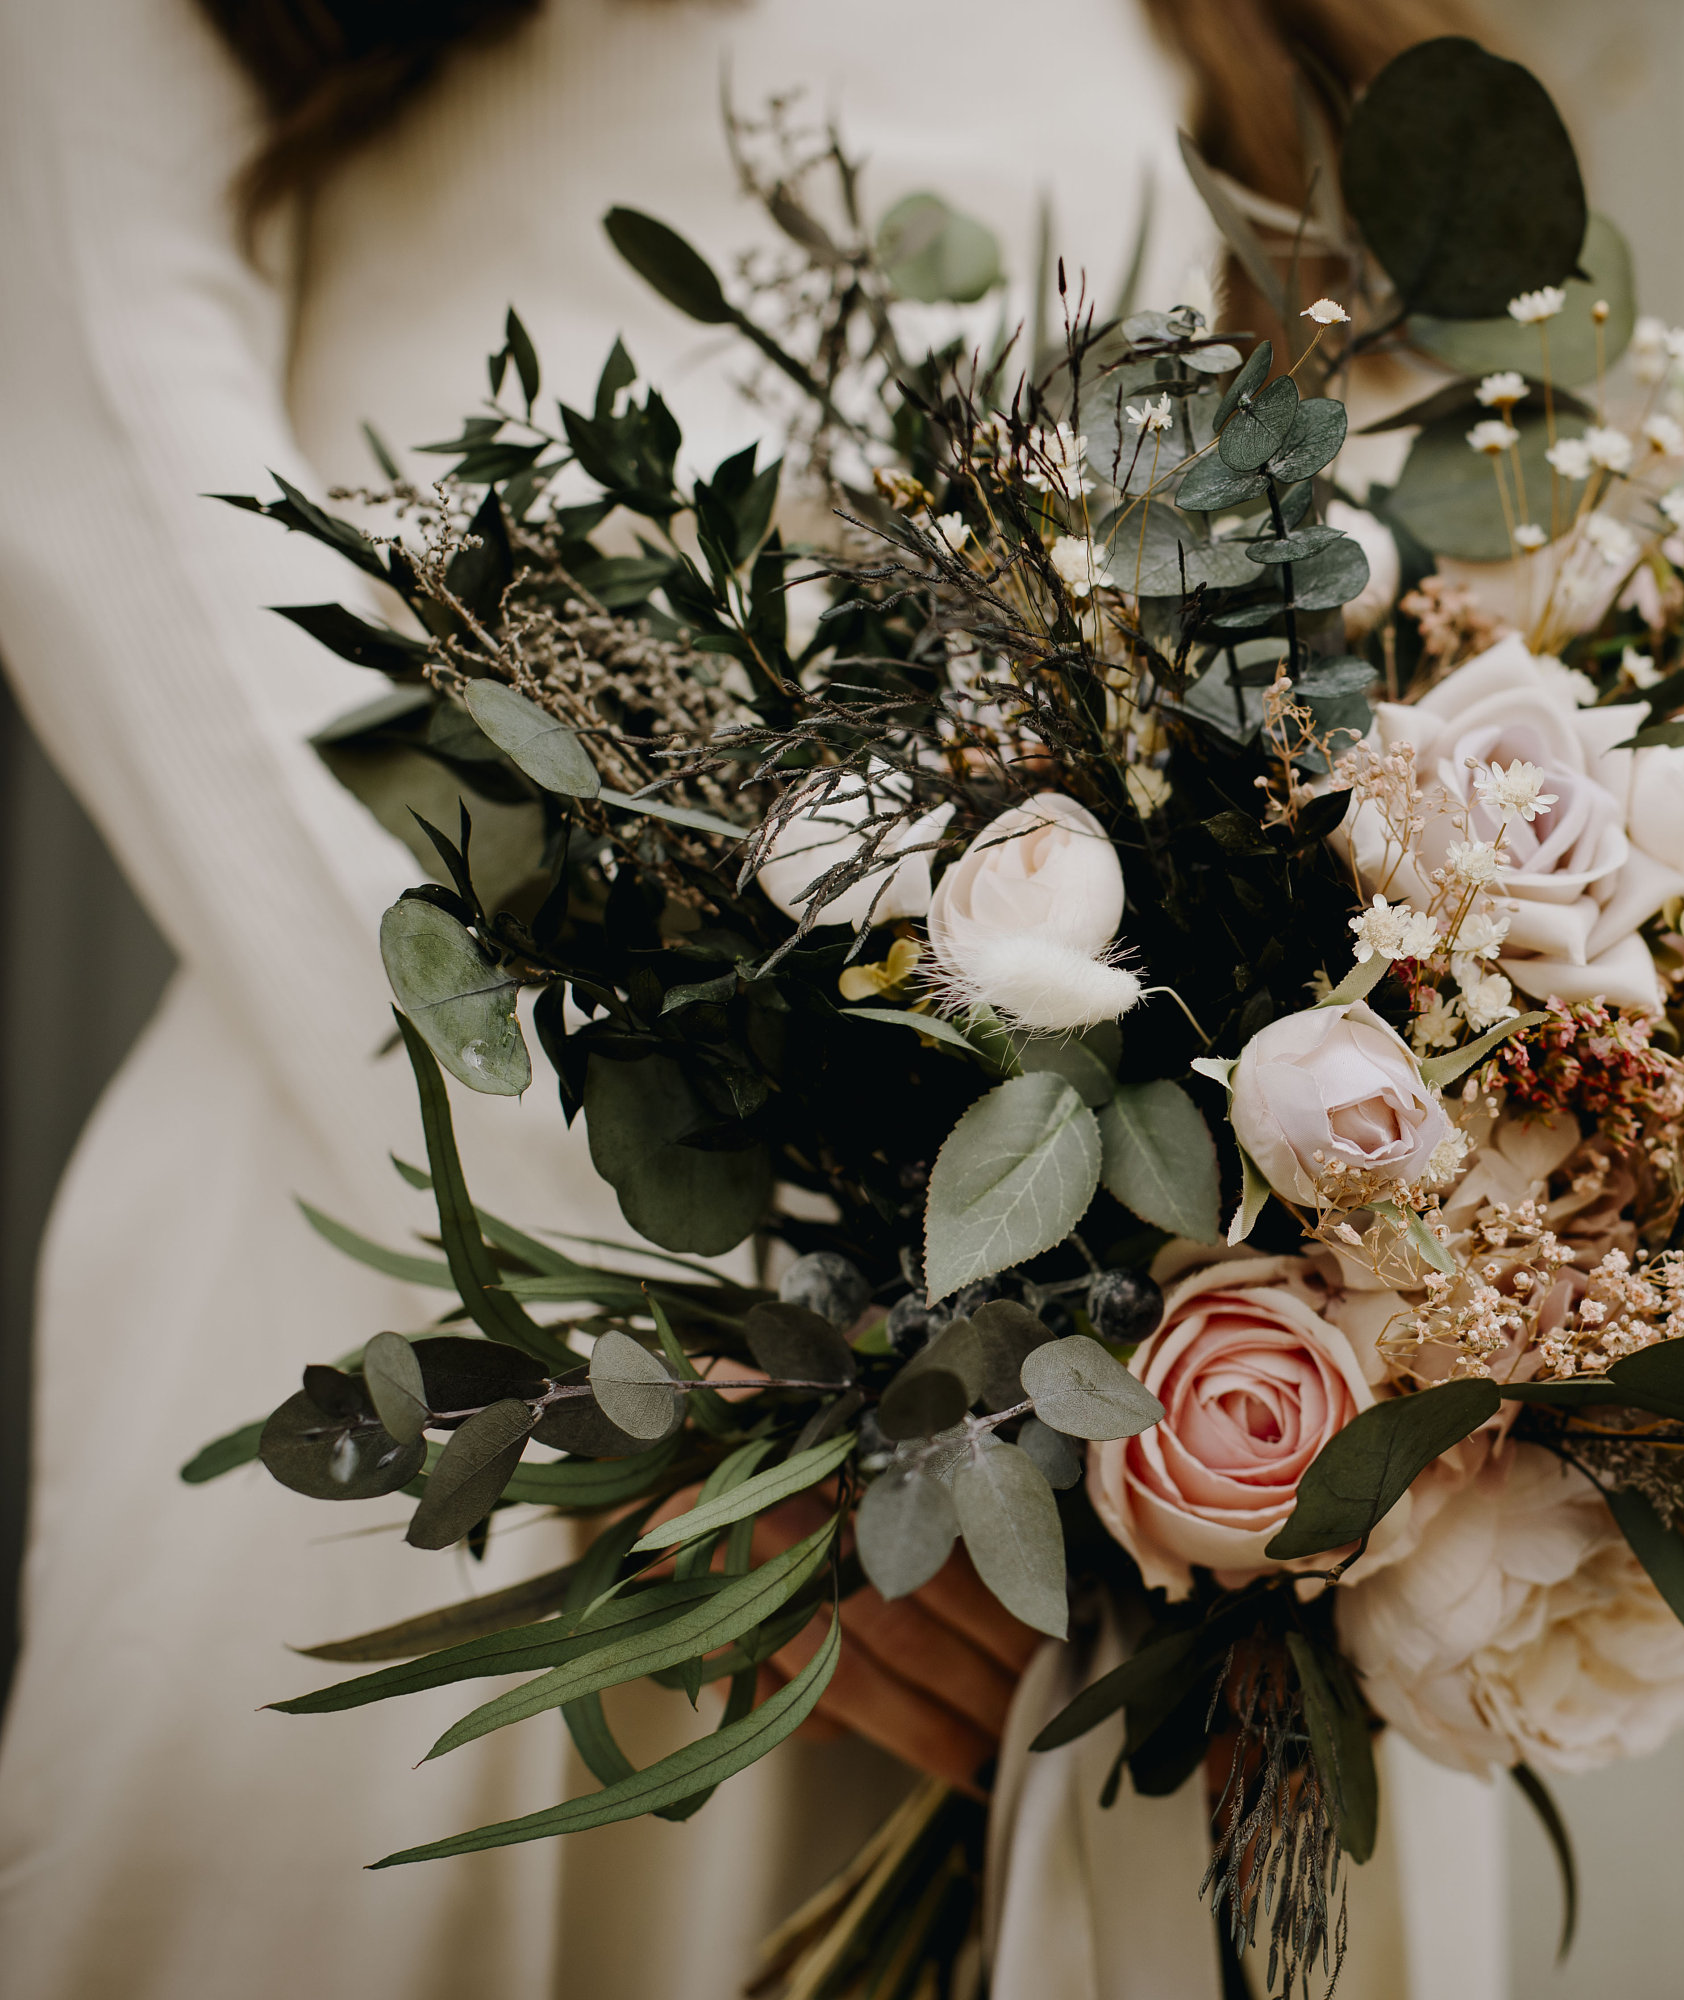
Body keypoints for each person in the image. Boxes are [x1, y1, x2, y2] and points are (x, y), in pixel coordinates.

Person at [0, 3, 1493, 1995]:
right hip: (454, 1221)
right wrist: (707, 1370)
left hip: (1103, 1304)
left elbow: (1346, 515)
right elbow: (124, 517)